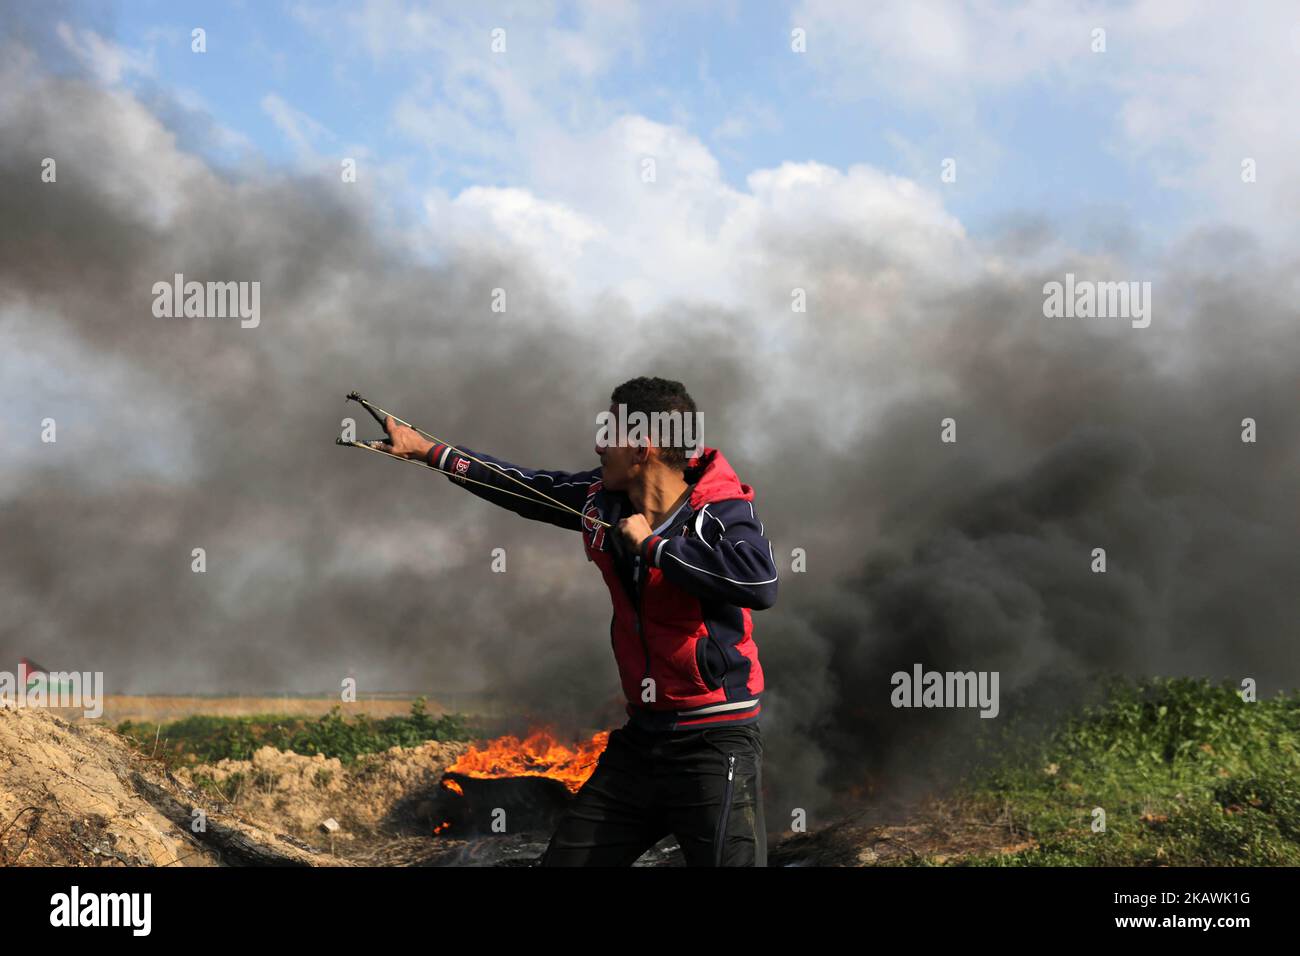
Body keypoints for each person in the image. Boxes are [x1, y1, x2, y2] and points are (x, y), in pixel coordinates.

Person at [377, 376, 778, 866]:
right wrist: (430, 452)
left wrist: (654, 547)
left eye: (608, 432)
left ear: (641, 448)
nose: (597, 443)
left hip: (716, 742)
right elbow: (526, 487)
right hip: (643, 742)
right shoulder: (600, 500)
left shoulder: (719, 510)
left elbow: (759, 583)